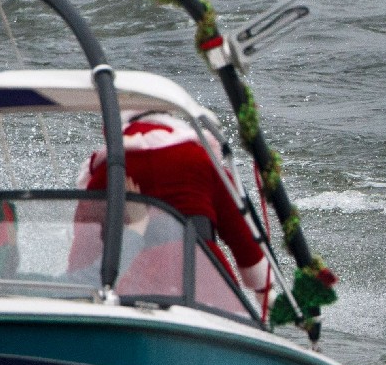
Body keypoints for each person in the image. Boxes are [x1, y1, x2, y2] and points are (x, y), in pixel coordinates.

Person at [67, 110, 272, 303]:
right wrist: (264, 291)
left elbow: (85, 250)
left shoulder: (108, 168)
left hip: (137, 288)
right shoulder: (201, 159)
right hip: (205, 281)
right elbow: (244, 242)